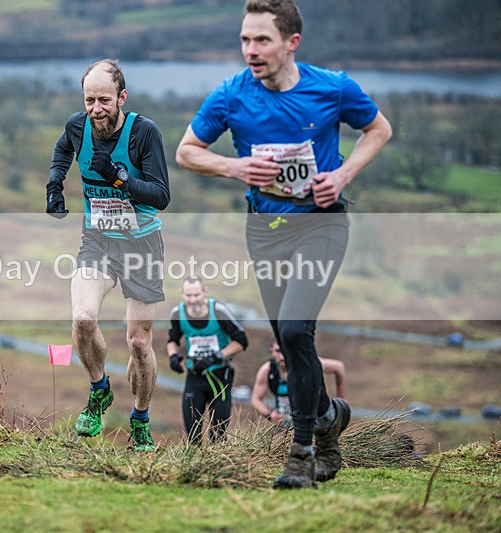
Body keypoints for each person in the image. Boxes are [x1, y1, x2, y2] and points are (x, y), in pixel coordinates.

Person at [175, 0, 391, 488]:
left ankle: (301, 453)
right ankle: (331, 416)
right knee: (291, 340)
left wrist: (343, 174)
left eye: (262, 40)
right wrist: (234, 167)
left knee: (295, 330)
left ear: (292, 42)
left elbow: (379, 129)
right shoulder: (231, 95)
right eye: (245, 40)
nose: (251, 50)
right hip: (265, 232)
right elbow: (186, 151)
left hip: (321, 225)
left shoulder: (332, 87)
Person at [46, 59, 170, 451]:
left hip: (141, 245)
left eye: (103, 99)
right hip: (97, 241)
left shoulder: (143, 133)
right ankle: (99, 390)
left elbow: (161, 196)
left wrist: (119, 178)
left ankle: (140, 419)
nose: (96, 108)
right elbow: (63, 147)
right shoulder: (78, 125)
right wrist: (54, 185)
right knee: (83, 318)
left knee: (137, 343)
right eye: (89, 100)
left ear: (121, 97)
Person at [166, 277, 248, 443]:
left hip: (220, 375)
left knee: (218, 434)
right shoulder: (177, 313)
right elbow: (172, 340)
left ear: (205, 291)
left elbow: (241, 341)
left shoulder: (218, 311)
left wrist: (216, 357)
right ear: (182, 294)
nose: (193, 300)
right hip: (195, 375)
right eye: (188, 295)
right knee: (193, 432)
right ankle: (195, 465)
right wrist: (173, 357)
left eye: (196, 295)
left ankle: (218, 464)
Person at [251, 340, 345, 425]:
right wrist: (270, 415)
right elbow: (256, 399)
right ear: (271, 351)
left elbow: (338, 367)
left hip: (311, 425)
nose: (282, 357)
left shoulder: (308, 363)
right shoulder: (267, 370)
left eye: (286, 351)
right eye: (278, 351)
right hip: (283, 428)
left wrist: (341, 400)